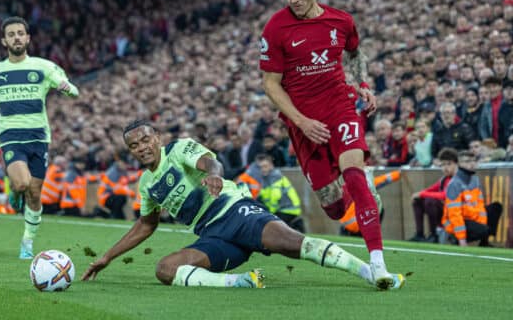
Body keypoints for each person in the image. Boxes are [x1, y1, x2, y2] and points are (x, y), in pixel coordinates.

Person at [81, 121, 405, 290]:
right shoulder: (146, 184)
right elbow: (146, 225)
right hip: (213, 237)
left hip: (236, 212)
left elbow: (210, 162)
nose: (141, 148)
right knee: (165, 269)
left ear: (157, 138)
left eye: (145, 140)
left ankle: (370, 271)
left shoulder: (178, 149)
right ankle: (242, 281)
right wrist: (107, 257)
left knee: (293, 244)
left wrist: (215, 176)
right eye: (134, 145)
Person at [259, 0, 397, 285]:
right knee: (334, 208)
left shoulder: (341, 20)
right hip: (303, 121)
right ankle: (362, 186)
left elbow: (353, 54)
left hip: (340, 106)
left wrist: (363, 84)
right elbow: (270, 84)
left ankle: (378, 263)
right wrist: (302, 122)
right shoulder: (276, 28)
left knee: (353, 175)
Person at [0, 16, 79, 259]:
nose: (16, 37)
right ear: (4, 41)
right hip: (10, 134)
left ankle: (27, 242)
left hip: (39, 136)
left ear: (27, 38)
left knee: (35, 194)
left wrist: (67, 89)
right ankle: (15, 191)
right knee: (21, 183)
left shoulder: (44, 67)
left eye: (20, 33)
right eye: (11, 34)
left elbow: (73, 90)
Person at [442, 150, 503, 247]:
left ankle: (484, 242)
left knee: (496, 207)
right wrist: (462, 239)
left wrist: (482, 225)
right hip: (457, 221)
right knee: (483, 229)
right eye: (467, 161)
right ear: (459, 164)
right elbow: (454, 214)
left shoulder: (475, 180)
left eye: (473, 161)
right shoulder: (454, 184)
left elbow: (480, 207)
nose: (472, 164)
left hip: (472, 217)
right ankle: (455, 239)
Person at [409, 148, 458, 243]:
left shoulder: (457, 179)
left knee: (429, 200)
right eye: (443, 165)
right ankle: (420, 234)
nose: (445, 168)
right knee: (418, 201)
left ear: (456, 164)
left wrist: (422, 194)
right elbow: (431, 189)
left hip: (455, 213)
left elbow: (444, 195)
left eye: (449, 164)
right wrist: (419, 194)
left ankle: (434, 234)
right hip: (446, 210)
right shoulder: (445, 178)